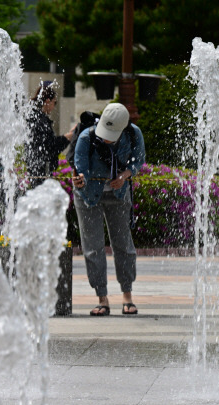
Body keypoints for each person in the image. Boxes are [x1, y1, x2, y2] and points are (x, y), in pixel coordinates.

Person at [72, 103, 145, 316]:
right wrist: (80, 179)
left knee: (123, 244)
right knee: (93, 246)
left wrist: (124, 176)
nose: (105, 138)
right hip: (88, 196)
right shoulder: (87, 137)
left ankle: (127, 295)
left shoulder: (133, 134)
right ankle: (102, 298)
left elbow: (138, 161)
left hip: (119, 194)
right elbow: (79, 167)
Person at [22, 81, 75, 187]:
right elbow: (49, 146)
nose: (54, 106)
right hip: (41, 168)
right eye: (54, 102)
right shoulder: (39, 119)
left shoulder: (34, 116)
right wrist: (67, 137)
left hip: (37, 166)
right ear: (47, 101)